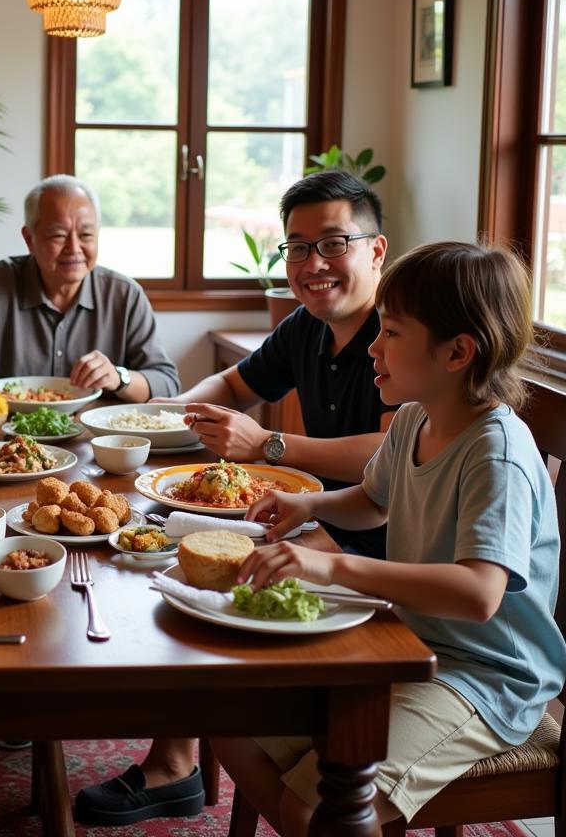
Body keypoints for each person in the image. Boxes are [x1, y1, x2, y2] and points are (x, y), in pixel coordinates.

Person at [75, 169, 395, 826]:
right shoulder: (307, 327)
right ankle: (177, 755)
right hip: (310, 518)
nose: (313, 264)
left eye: (333, 244)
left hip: (379, 544)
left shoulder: (401, 332)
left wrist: (273, 446)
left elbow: (395, 459)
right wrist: (155, 413)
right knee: (170, 555)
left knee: (193, 574)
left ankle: (176, 762)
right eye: (297, 247)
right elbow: (231, 382)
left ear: (376, 251)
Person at [214, 240, 566, 835]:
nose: (373, 346)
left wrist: (331, 568)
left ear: (457, 351)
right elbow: (373, 503)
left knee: (324, 804)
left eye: (392, 333)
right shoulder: (413, 419)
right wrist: (306, 503)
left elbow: (479, 592)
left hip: (484, 678)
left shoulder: (495, 453)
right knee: (228, 718)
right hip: (409, 644)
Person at [0, 174, 180, 408]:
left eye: (86, 235)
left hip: (99, 444)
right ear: (29, 239)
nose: (74, 248)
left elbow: (166, 383)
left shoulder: (125, 295)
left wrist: (118, 376)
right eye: (58, 236)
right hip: (7, 442)